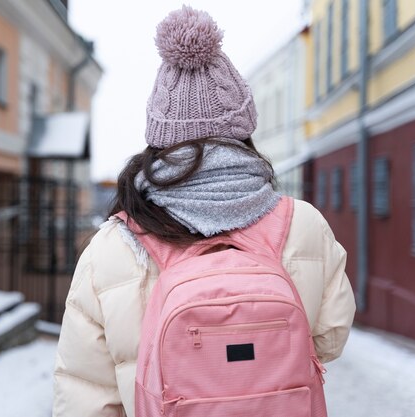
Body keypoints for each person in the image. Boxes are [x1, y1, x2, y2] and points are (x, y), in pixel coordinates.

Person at [53, 6, 356, 417]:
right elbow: (330, 338)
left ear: (159, 136)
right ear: (244, 127)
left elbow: (86, 393)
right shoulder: (302, 224)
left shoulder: (115, 244)